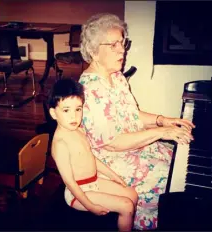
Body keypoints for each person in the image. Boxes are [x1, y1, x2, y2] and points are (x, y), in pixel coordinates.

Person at [78, 13, 195, 230]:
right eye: (113, 45)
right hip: (113, 162)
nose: (122, 50)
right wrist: (161, 132)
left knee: (177, 160)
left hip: (136, 149)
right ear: (94, 51)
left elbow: (132, 114)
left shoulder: (116, 76)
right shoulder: (90, 90)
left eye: (122, 43)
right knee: (174, 185)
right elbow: (113, 142)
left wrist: (163, 120)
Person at [48, 78, 138, 232]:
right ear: (53, 113)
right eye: (66, 110)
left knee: (132, 195)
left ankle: (124, 223)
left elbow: (91, 158)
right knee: (126, 206)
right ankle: (124, 220)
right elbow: (69, 182)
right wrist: (90, 206)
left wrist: (113, 176)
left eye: (78, 109)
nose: (74, 116)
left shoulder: (78, 130)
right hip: (77, 193)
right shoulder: (61, 143)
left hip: (93, 182)